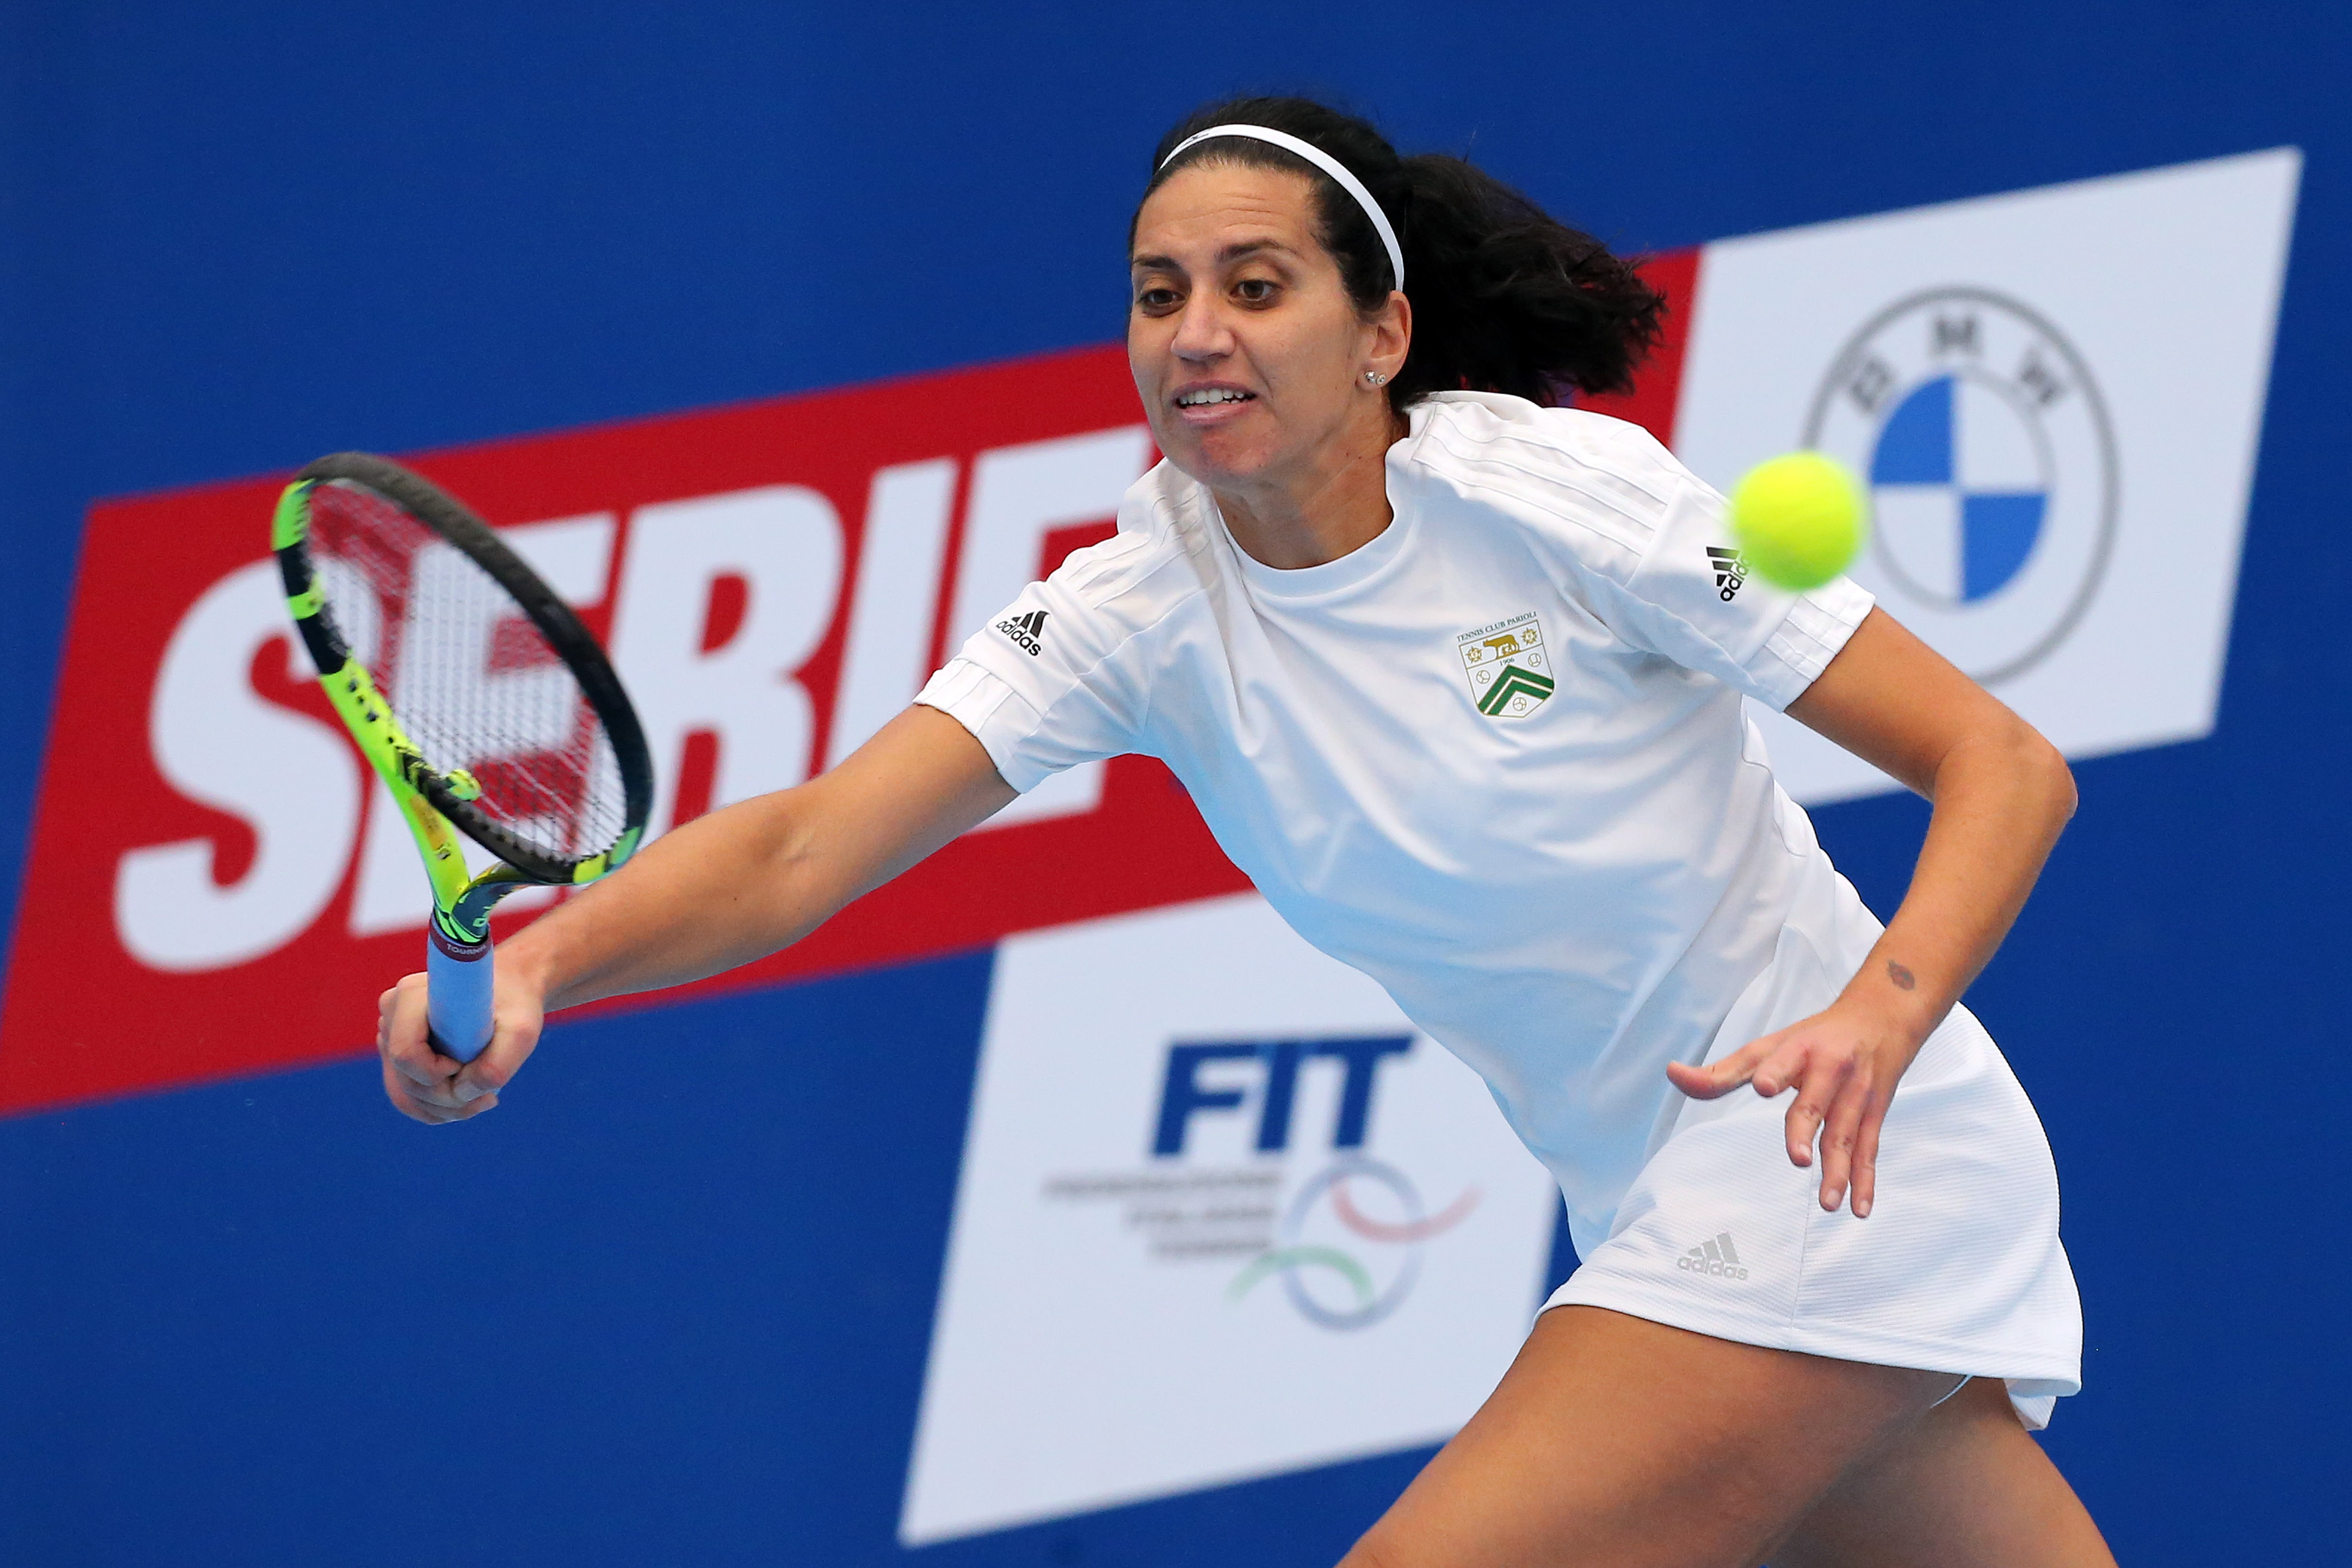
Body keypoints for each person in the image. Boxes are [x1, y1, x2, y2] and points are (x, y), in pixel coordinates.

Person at [376, 96, 2114, 1567]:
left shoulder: (1553, 498)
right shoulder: (1135, 604)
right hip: (1664, 1191)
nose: (1195, 328)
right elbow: (808, 845)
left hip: (1829, 1165)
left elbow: (2004, 760)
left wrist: (1881, 1014)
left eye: (1256, 284)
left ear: (1382, 334)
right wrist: (539, 959)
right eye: (1159, 292)